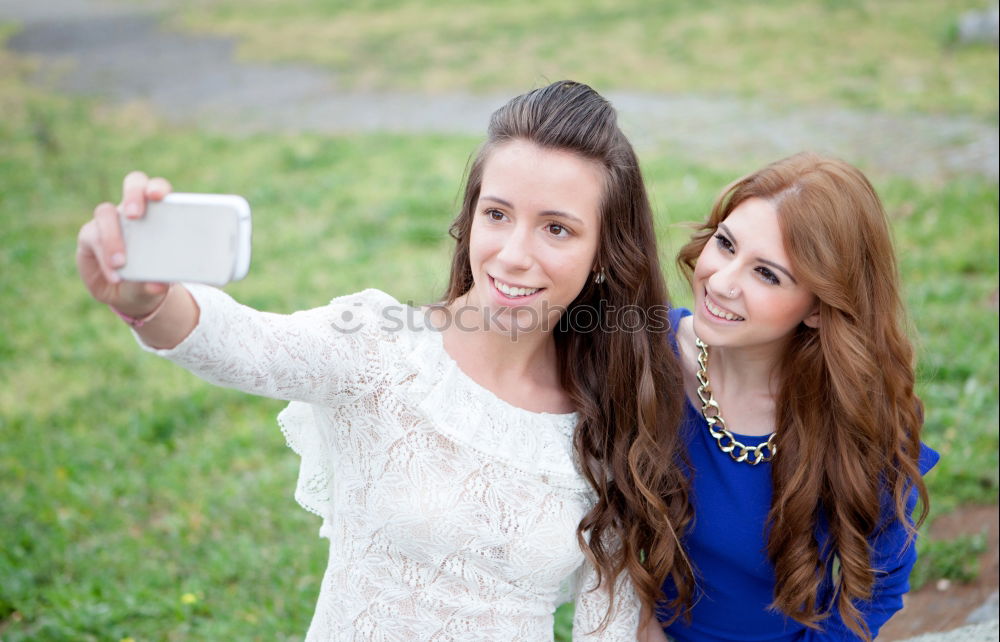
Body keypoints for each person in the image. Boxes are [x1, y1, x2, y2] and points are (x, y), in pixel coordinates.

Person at [75, 81, 693, 641]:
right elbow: (247, 345)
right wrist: (149, 301)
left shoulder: (610, 406)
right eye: (497, 215)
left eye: (556, 229)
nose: (512, 254)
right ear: (470, 217)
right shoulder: (378, 347)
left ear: (603, 253)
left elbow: (606, 623)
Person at [641, 153, 938, 641]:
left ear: (820, 308)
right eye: (725, 244)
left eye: (767, 274)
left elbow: (878, 588)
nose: (720, 281)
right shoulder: (647, 359)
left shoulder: (854, 414)